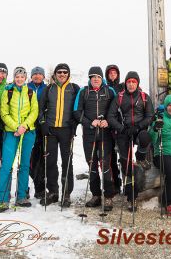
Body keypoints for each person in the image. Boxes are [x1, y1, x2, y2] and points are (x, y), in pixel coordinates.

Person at [107, 71, 154, 212]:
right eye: (129, 82)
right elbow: (111, 116)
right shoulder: (119, 97)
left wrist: (138, 126)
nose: (131, 84)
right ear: (125, 83)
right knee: (126, 164)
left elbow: (150, 115)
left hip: (139, 130)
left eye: (134, 82)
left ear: (137, 83)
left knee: (145, 137)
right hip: (124, 132)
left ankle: (140, 157)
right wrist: (122, 128)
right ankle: (131, 198)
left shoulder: (145, 97)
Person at [73, 66, 116, 210]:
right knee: (92, 164)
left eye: (98, 76)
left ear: (102, 78)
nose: (96, 79)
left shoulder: (109, 91)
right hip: (90, 134)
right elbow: (76, 113)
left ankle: (109, 196)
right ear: (90, 79)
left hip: (105, 134)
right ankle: (96, 195)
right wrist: (90, 122)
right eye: (93, 77)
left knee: (105, 164)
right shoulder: (83, 91)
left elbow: (116, 110)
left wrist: (108, 121)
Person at [0, 67, 38, 212]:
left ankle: (21, 196)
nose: (20, 79)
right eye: (17, 77)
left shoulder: (31, 92)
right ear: (14, 78)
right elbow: (4, 113)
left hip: (27, 132)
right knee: (7, 165)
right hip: (11, 133)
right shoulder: (8, 92)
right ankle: (3, 199)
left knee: (24, 165)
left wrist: (24, 126)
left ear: (25, 78)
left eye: (22, 76)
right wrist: (16, 127)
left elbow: (34, 111)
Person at [38, 63, 79, 207]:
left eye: (64, 72)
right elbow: (40, 108)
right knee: (50, 162)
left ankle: (66, 194)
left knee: (67, 162)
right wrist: (43, 123)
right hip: (51, 130)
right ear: (55, 74)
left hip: (66, 130)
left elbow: (79, 108)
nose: (62, 74)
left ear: (68, 74)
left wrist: (75, 122)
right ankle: (53, 192)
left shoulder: (74, 89)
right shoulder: (49, 88)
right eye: (59, 72)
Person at [28, 66, 47, 199]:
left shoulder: (47, 89)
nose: (37, 76)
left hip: (42, 127)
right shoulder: (25, 88)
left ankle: (40, 188)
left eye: (40, 74)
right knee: (29, 159)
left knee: (42, 159)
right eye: (35, 74)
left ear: (43, 76)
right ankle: (25, 187)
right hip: (28, 127)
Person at [105, 64, 123, 192]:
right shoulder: (104, 87)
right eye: (110, 73)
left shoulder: (122, 86)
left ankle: (125, 182)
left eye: (114, 73)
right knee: (110, 155)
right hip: (108, 125)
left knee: (122, 154)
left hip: (120, 124)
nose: (112, 75)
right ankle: (115, 182)